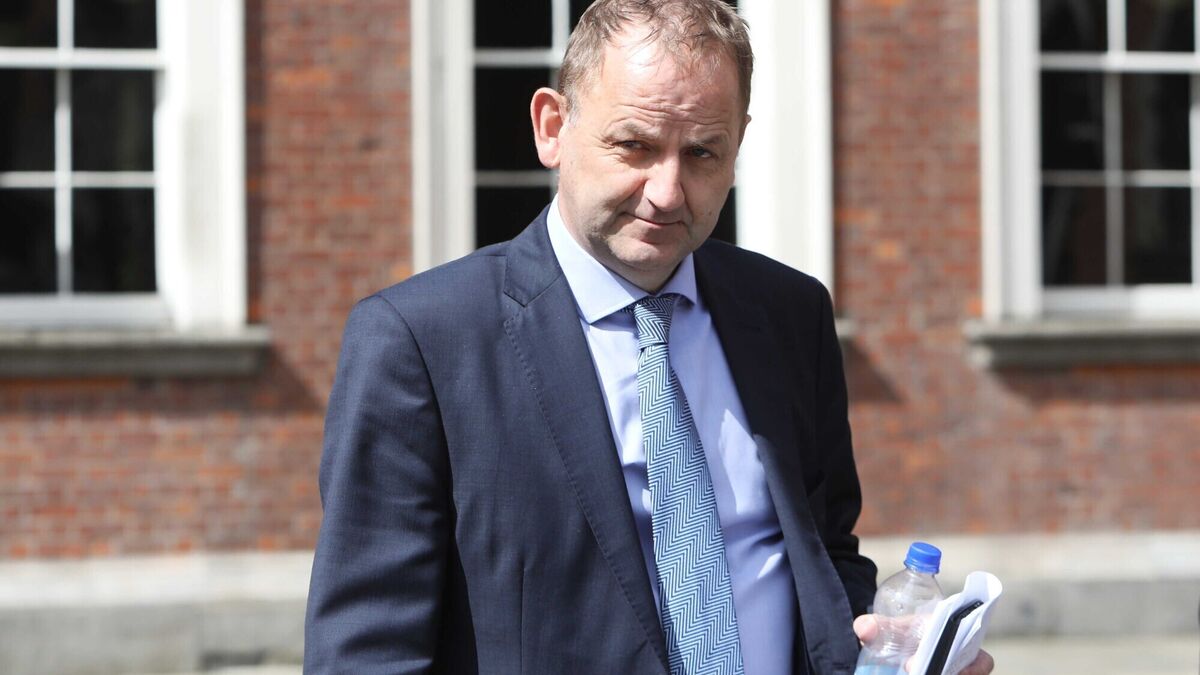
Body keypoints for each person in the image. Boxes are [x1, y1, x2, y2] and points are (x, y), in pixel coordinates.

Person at [304, 1, 994, 673]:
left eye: (702, 153)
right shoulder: (421, 343)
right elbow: (367, 651)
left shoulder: (790, 315)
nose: (667, 191)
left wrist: (890, 653)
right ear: (552, 127)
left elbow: (824, 559)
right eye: (634, 145)